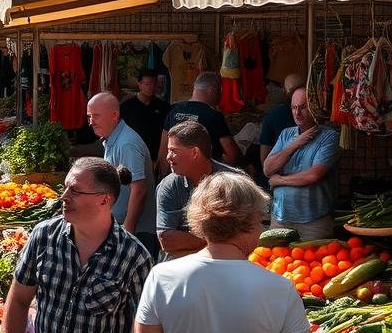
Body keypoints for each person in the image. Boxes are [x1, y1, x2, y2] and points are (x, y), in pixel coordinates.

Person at [134, 173, 307, 333]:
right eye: (261, 220)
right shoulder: (280, 289)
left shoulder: (162, 277)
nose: (262, 228)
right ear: (250, 221)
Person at [3, 157, 153, 333]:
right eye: (66, 187)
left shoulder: (134, 257)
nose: (64, 196)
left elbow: (145, 325)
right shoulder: (44, 236)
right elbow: (19, 300)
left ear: (104, 200)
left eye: (75, 191)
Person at [264, 86, 340, 240]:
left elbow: (313, 175)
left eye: (303, 107)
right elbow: (267, 169)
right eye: (294, 107)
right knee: (274, 262)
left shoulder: (330, 137)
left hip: (314, 221)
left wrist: (279, 180)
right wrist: (294, 144)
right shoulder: (286, 134)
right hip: (280, 217)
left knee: (318, 263)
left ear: (314, 107)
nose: (297, 113)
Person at [157, 120, 240, 259]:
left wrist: (189, 239)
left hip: (224, 263)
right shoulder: (169, 186)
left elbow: (244, 234)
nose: (167, 157)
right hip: (179, 265)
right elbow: (166, 240)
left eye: (173, 151)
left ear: (195, 152)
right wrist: (219, 239)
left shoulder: (234, 182)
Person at [88, 92, 157, 256]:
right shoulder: (112, 139)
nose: (91, 122)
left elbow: (139, 189)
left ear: (114, 115)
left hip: (137, 232)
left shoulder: (127, 143)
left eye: (96, 116)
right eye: (89, 116)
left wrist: (128, 230)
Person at [159, 72, 242, 173]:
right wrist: (214, 166)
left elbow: (163, 150)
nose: (221, 95)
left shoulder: (173, 111)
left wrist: (164, 175)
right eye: (220, 91)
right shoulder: (213, 116)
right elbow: (232, 155)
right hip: (204, 177)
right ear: (212, 90)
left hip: (176, 172)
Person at [121, 69, 171, 165]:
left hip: (155, 156)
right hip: (132, 154)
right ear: (140, 85)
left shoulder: (163, 107)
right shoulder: (127, 106)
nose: (150, 87)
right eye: (147, 84)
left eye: (153, 84)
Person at [258, 73, 306, 166]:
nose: (298, 113)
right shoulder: (284, 132)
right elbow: (266, 163)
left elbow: (264, 159)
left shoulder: (273, 116)